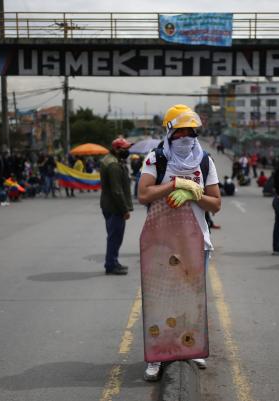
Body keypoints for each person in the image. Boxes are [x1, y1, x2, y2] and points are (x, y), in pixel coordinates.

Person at [138, 104, 221, 381]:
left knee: (191, 298)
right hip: (160, 242)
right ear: (170, 131)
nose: (186, 136)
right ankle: (157, 356)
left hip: (196, 241)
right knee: (159, 300)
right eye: (181, 131)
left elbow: (216, 203)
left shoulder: (205, 161)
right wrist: (175, 185)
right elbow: (144, 194)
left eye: (191, 131)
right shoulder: (156, 159)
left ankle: (190, 347)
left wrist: (193, 194)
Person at [100, 137, 134, 275]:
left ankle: (113, 262)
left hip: (109, 205)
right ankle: (111, 265)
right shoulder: (113, 165)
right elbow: (117, 190)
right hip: (115, 207)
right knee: (115, 237)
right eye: (125, 149)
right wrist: (124, 209)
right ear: (116, 149)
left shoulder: (111, 160)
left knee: (113, 236)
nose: (127, 151)